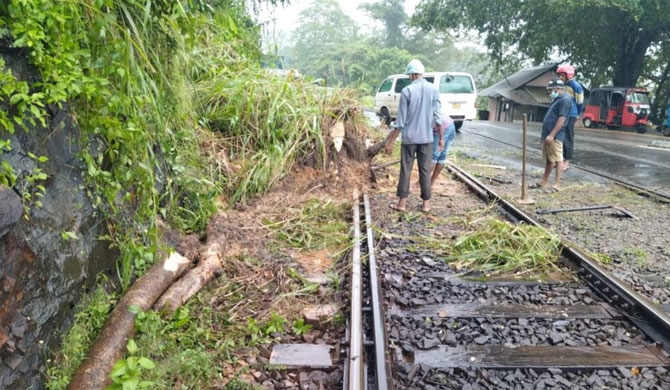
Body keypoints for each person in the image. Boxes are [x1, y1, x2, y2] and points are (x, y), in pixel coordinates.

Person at [385, 59, 443, 212]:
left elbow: (400, 122)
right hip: (426, 139)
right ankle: (426, 204)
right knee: (424, 170)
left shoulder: (407, 91)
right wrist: (442, 138)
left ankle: (402, 204)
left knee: (406, 169)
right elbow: (438, 117)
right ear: (422, 73)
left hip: (409, 139)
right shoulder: (434, 90)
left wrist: (390, 141)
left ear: (411, 75)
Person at [536, 78, 571, 190]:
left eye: (552, 90)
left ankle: (557, 184)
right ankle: (544, 181)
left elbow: (562, 118)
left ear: (558, 89)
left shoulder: (565, 100)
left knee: (558, 159)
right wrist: (544, 136)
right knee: (549, 160)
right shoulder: (557, 100)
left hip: (555, 136)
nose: (551, 92)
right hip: (548, 135)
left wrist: (552, 134)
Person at [556, 64, 584, 171]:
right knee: (559, 136)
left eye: (562, 75)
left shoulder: (576, 86)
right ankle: (559, 159)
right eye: (560, 75)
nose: (561, 78)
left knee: (568, 137)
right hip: (562, 113)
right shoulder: (561, 85)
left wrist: (577, 113)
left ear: (569, 75)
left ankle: (567, 161)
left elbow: (580, 102)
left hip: (571, 114)